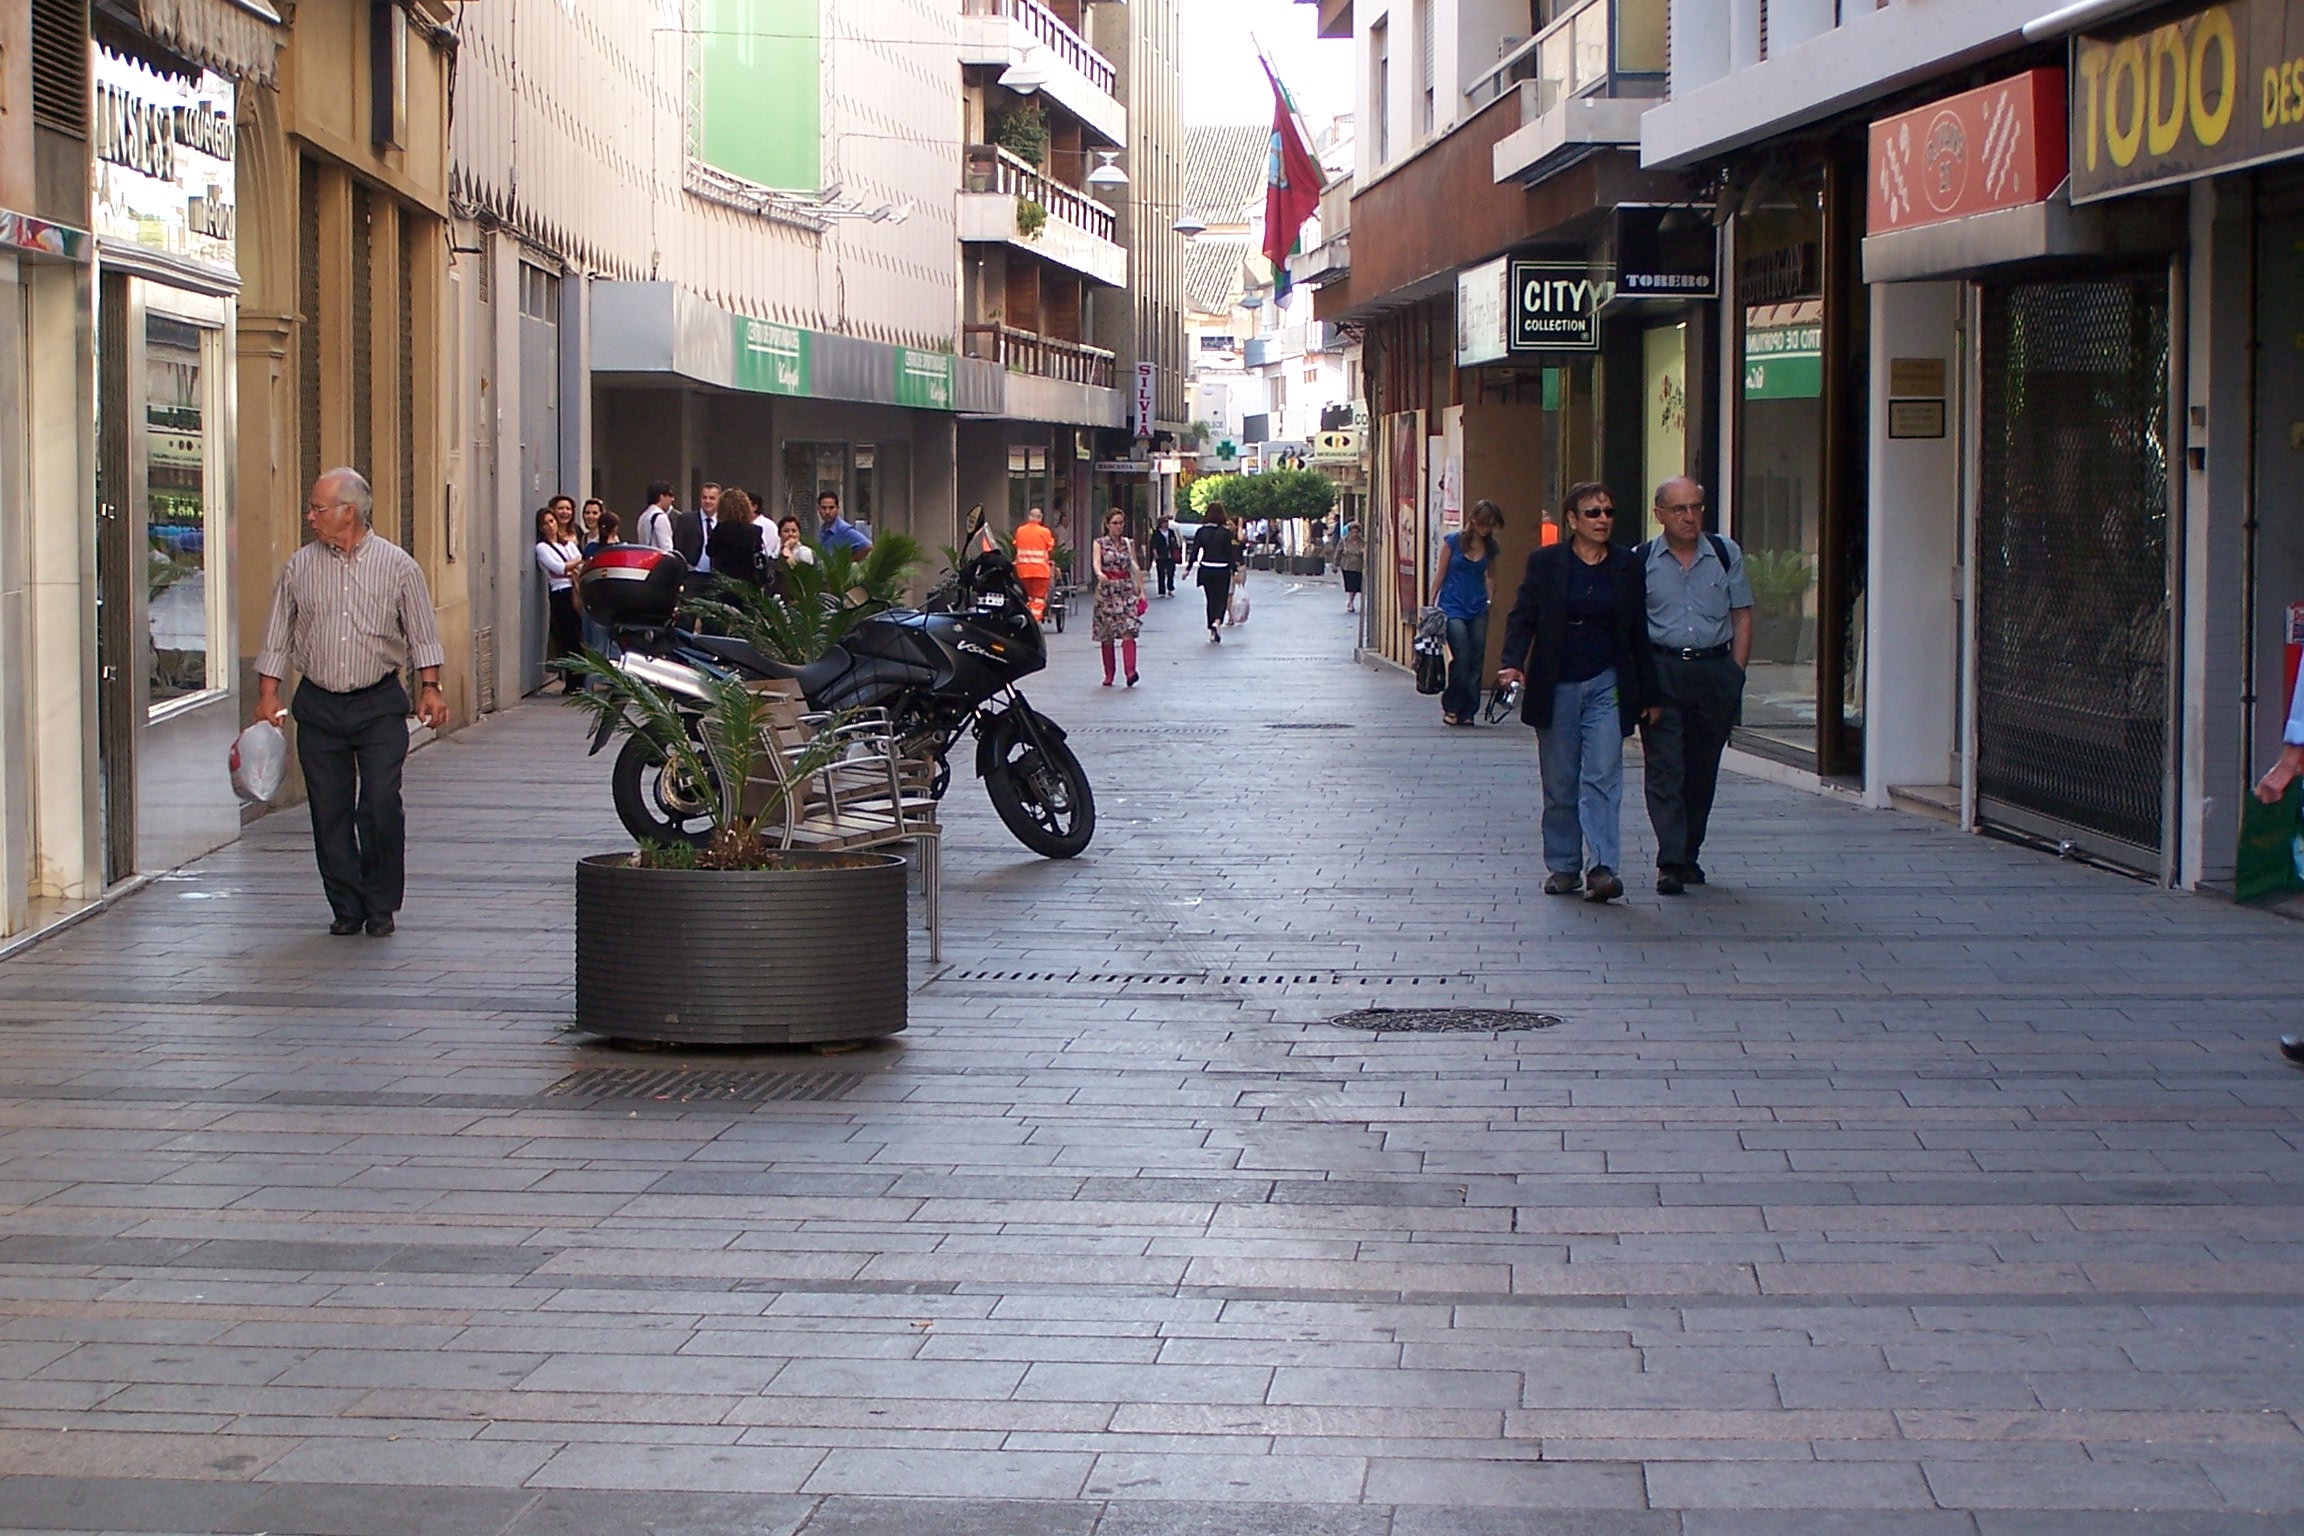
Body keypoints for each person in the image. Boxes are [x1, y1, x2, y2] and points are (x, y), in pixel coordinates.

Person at [252, 468, 447, 937]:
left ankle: (381, 902)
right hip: (319, 704)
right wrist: (268, 693)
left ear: (349, 512)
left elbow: (422, 632)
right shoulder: (300, 565)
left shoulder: (399, 566)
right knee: (329, 809)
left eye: (317, 508)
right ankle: (346, 905)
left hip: (378, 702)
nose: (310, 516)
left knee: (379, 803)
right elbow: (278, 632)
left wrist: (430, 687)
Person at [1496, 481, 1656, 905]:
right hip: (1557, 683)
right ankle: (1564, 865)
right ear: (1571, 520)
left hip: (1608, 682)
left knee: (1603, 775)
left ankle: (1602, 867)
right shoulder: (1546, 563)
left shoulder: (1626, 566)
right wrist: (1512, 662)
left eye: (1608, 511)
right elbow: (1522, 616)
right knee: (1562, 782)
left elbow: (1639, 630)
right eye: (1593, 512)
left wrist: (1648, 692)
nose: (1603, 519)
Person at [1640, 477, 1752, 896]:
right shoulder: (1643, 560)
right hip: (1662, 671)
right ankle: (1670, 860)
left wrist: (1735, 674)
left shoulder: (1725, 554)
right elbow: (1633, 627)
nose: (1689, 517)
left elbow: (1742, 613)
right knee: (1666, 768)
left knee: (1701, 770)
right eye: (1679, 509)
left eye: (1696, 507)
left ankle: (1688, 853)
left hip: (1713, 671)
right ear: (1660, 515)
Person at [1430, 500, 1503, 726]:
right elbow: (1440, 573)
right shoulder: (1453, 543)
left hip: (1478, 606)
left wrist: (1490, 599)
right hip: (1452, 606)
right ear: (1473, 520)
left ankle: (1469, 710)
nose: (1486, 529)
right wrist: (1430, 604)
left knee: (1476, 658)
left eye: (1490, 525)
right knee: (1461, 655)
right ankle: (1452, 706)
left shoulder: (1490, 548)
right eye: (1483, 523)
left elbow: (1491, 575)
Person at [1091, 508, 1144, 686]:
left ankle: (1130, 671)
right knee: (1107, 633)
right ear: (1107, 525)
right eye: (1114, 523)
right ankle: (1109, 673)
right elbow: (1096, 563)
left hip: (1126, 590)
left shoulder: (1128, 543)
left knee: (1128, 628)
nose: (1118, 526)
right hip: (1107, 591)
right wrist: (1099, 574)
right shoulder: (1099, 543)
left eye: (1121, 523)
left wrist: (1141, 592)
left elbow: (1135, 568)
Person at [534, 504, 584, 688]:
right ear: (541, 528)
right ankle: (573, 682)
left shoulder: (567, 544)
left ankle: (579, 679)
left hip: (574, 590)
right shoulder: (542, 548)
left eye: (552, 521)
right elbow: (559, 568)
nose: (550, 526)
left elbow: (578, 562)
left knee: (579, 636)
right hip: (560, 593)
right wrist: (573, 565)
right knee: (568, 637)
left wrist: (573, 565)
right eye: (545, 523)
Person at [1186, 504, 1241, 643]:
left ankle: (1211, 629)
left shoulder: (1201, 532)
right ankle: (1217, 620)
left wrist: (1188, 568)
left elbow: (1195, 551)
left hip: (1206, 569)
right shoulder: (1225, 532)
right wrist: (1234, 571)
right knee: (1221, 598)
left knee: (1210, 599)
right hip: (1222, 569)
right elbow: (1230, 554)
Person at [705, 486, 772, 589]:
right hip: (748, 584)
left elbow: (710, 551)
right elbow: (758, 554)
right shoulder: (754, 531)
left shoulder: (720, 529)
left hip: (725, 583)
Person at [1013, 505, 1058, 622]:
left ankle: (1025, 618)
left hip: (1022, 571)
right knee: (1038, 598)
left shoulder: (1020, 531)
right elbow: (1050, 548)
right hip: (1040, 572)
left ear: (1029, 517)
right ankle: (1034, 621)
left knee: (1027, 597)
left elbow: (1017, 545)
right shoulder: (1044, 532)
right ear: (1040, 518)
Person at [636, 480, 678, 552]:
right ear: (661, 496)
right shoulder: (661, 517)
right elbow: (667, 549)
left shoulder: (643, 516)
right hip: (658, 560)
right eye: (670, 495)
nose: (672, 499)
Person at [1148, 513, 1181, 597]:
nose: (1166, 524)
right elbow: (1153, 544)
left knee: (1171, 572)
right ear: (1160, 523)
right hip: (1161, 555)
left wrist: (1175, 547)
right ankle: (1162, 591)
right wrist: (1155, 553)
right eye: (1164, 522)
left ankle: (1170, 589)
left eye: (1166, 522)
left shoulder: (1171, 532)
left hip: (1170, 555)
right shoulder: (1156, 533)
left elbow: (1175, 542)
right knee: (1161, 573)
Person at [1339, 523, 1366, 613]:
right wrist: (1335, 565)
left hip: (1358, 566)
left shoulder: (1362, 542)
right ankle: (1351, 603)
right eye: (1353, 532)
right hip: (1347, 566)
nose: (1354, 534)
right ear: (1350, 532)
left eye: (1356, 532)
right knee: (1350, 586)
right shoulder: (1344, 541)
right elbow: (1338, 552)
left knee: (1356, 586)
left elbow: (1366, 552)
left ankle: (1351, 601)